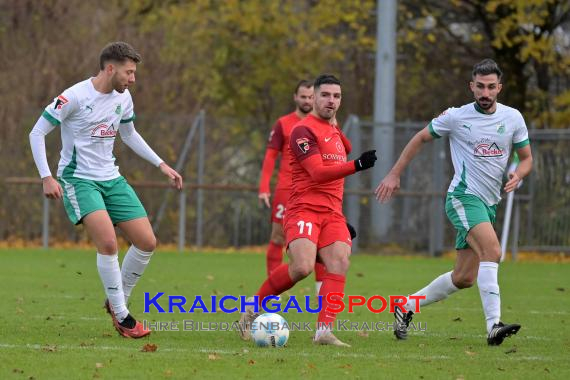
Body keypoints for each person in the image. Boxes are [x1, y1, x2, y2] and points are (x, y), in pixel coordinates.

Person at [29, 42, 183, 339]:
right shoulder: (72, 97)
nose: (133, 79)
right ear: (110, 68)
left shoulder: (123, 99)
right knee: (109, 244)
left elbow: (129, 134)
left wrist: (161, 164)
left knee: (147, 241)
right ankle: (123, 317)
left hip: (112, 178)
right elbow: (37, 132)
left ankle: (116, 302)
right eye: (129, 72)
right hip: (79, 179)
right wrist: (47, 177)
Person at [375, 59, 533, 346]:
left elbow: (526, 159)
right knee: (493, 250)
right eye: (480, 87)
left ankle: (406, 306)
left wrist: (516, 174)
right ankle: (493, 326)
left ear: (500, 88)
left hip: (488, 203)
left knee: (463, 278)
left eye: (491, 87)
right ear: (472, 86)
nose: (485, 93)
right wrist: (394, 174)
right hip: (462, 197)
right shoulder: (456, 117)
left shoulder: (513, 118)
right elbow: (421, 137)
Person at [240, 74, 377, 347]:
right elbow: (317, 173)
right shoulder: (302, 130)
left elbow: (344, 147)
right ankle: (251, 310)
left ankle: (323, 332)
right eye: (325, 95)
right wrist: (356, 165)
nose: (331, 100)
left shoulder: (333, 130)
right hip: (303, 209)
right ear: (312, 97)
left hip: (332, 213)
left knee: (340, 261)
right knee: (302, 267)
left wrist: (335, 127)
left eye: (337, 96)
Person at [258, 80, 330, 294]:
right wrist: (264, 188)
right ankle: (273, 288)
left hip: (314, 190)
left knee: (318, 240)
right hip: (287, 189)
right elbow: (270, 156)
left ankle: (320, 290)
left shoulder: (324, 124)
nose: (307, 100)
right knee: (278, 237)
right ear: (295, 97)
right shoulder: (283, 123)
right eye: (303, 97)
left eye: (310, 97)